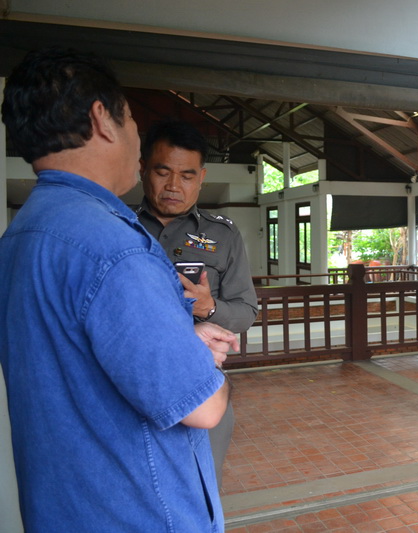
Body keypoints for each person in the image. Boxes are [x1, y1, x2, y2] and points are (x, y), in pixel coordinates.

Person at [0, 47, 238, 532]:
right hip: (138, 512)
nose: (135, 135)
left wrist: (186, 334)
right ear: (101, 119)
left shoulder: (23, 233)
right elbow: (203, 406)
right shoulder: (114, 246)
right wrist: (203, 363)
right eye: (130, 118)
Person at [136, 119, 258, 488]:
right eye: (162, 172)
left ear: (201, 177)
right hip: (133, 384)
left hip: (201, 385)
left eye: (187, 175)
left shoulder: (222, 234)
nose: (174, 185)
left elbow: (246, 312)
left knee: (201, 487)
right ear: (143, 169)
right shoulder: (120, 227)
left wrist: (208, 308)